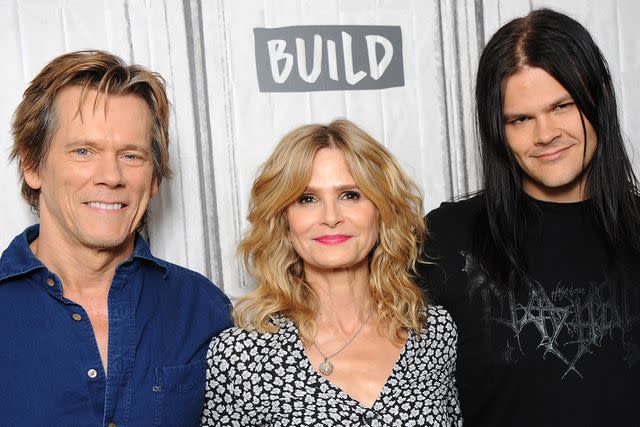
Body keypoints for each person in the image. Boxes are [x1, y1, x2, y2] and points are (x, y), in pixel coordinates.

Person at [419, 8, 640, 427]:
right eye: (520, 119)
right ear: (496, 128)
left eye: (562, 106)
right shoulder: (447, 240)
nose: (545, 135)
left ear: (602, 97)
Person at [0, 50, 232, 426]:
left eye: (131, 155)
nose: (111, 175)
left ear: (154, 178)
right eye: (83, 151)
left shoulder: (204, 309)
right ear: (32, 165)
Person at [200, 119, 462, 426]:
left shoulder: (433, 332)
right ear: (284, 223)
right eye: (307, 199)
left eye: (350, 195)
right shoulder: (240, 356)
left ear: (381, 211)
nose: (331, 217)